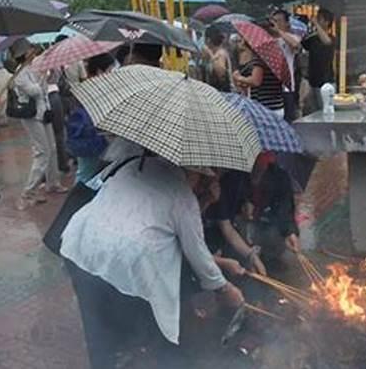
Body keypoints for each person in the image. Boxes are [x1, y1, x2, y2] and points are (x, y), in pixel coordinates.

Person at [60, 155, 244, 369]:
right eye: (205, 177)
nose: (204, 183)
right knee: (155, 336)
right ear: (193, 171)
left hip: (80, 246)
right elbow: (196, 251)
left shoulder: (134, 164)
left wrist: (204, 202)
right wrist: (224, 288)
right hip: (126, 262)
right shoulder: (181, 193)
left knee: (98, 330)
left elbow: (178, 233)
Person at [10, 40, 67, 210]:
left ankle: (53, 182)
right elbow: (34, 91)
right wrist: (42, 77)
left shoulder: (32, 68)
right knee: (42, 151)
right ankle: (28, 193)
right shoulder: (20, 74)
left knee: (52, 147)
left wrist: (44, 76)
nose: (32, 51)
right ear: (24, 53)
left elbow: (43, 89)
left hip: (43, 112)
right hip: (31, 116)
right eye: (29, 49)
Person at [66, 53, 115, 183]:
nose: (112, 73)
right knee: (86, 174)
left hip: (88, 138)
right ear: (100, 71)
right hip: (90, 138)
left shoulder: (90, 86)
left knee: (88, 172)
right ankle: (78, 200)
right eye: (110, 70)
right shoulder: (94, 89)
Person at [232, 36, 284, 116]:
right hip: (277, 105)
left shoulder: (260, 60)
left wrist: (239, 78)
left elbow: (256, 81)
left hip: (264, 108)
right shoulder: (275, 58)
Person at [269, 9, 302, 122]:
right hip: (271, 88)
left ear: (287, 23)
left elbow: (295, 45)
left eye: (278, 21)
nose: (275, 24)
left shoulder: (291, 37)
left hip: (286, 86)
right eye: (273, 21)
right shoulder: (267, 39)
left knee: (288, 121)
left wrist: (278, 31)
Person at [302, 8, 336, 114]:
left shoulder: (332, 38)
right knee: (313, 112)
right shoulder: (313, 39)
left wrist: (316, 24)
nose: (316, 20)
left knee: (326, 111)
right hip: (312, 81)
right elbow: (300, 45)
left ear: (327, 22)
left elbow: (327, 42)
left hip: (326, 81)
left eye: (319, 19)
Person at [201, 26, 232, 92]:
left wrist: (210, 55)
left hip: (223, 92)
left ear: (208, 40)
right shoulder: (216, 53)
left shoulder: (221, 53)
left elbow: (221, 73)